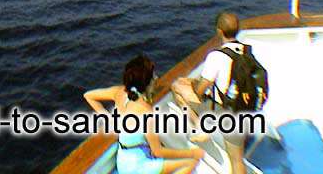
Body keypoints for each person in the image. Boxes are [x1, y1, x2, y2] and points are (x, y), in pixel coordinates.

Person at [84, 54, 203, 174]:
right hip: (138, 168)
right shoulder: (146, 111)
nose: (156, 78)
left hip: (123, 162)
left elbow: (89, 96)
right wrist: (193, 153)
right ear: (147, 82)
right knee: (191, 162)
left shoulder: (119, 92)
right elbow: (158, 151)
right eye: (153, 76)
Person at [171, 12, 248, 174]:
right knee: (237, 160)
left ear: (219, 31)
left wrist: (191, 84)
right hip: (242, 108)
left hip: (223, 111)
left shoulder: (216, 56)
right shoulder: (246, 51)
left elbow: (199, 91)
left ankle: (203, 127)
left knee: (177, 87)